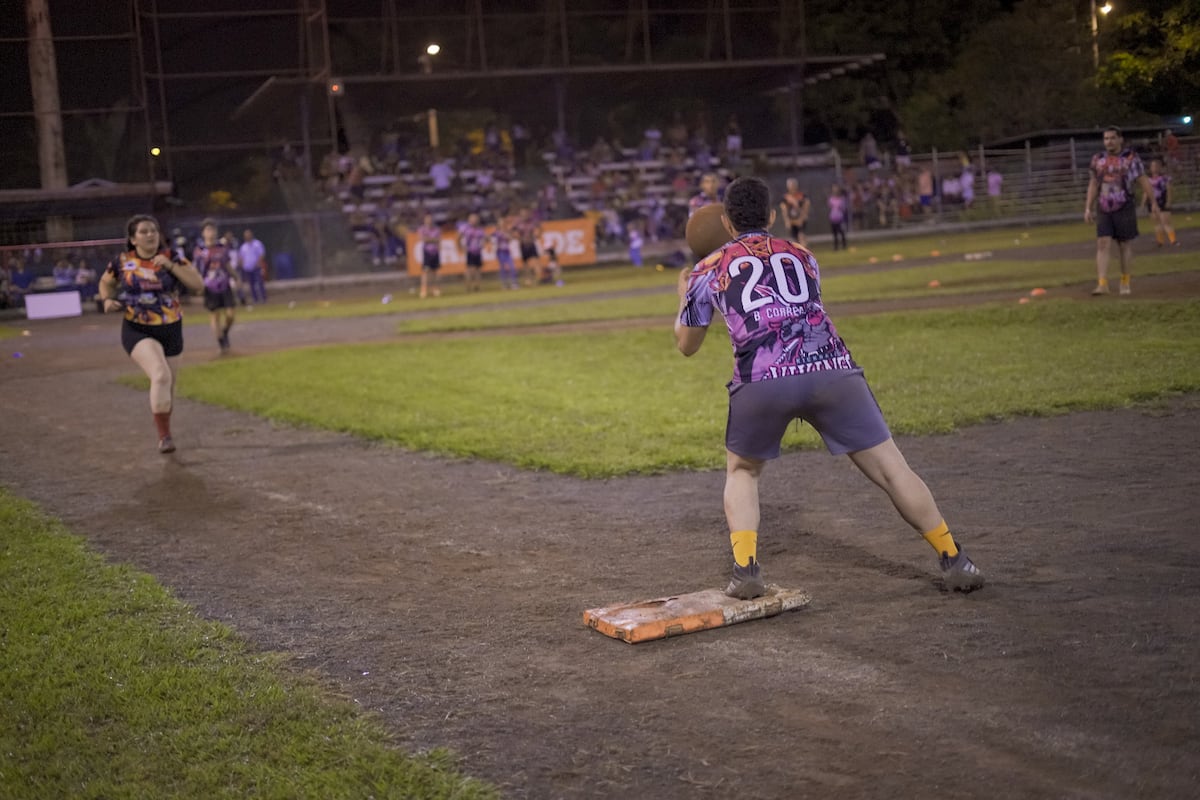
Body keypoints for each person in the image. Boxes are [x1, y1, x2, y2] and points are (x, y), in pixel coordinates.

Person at [673, 177, 984, 599]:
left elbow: (687, 346)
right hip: (831, 368)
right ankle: (954, 558)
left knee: (743, 470)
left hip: (763, 379)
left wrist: (684, 299)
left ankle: (746, 569)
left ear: (727, 222)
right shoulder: (804, 255)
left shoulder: (706, 270)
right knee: (893, 469)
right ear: (774, 215)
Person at [97, 214, 204, 454]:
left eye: (153, 230)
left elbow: (198, 285)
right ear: (133, 239)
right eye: (144, 231)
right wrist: (106, 300)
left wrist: (170, 266)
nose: (150, 235)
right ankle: (164, 438)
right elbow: (105, 282)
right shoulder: (122, 261)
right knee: (160, 374)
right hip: (138, 328)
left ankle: (165, 429)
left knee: (168, 386)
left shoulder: (172, 257)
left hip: (172, 328)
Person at [1084, 126, 1157, 296]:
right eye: (1106, 138)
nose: (1109, 141)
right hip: (1103, 206)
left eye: (1112, 138)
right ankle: (1102, 283)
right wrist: (1088, 207)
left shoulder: (1131, 158)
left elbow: (1143, 179)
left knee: (1124, 244)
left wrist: (1153, 202)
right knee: (1102, 243)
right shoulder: (1098, 159)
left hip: (1124, 205)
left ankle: (1125, 281)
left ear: (1120, 139)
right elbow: (1094, 183)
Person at [193, 219, 238, 352]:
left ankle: (225, 331)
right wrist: (197, 286)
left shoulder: (222, 248)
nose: (211, 233)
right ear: (203, 233)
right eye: (207, 230)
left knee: (231, 314)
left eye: (212, 230)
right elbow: (196, 270)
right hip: (209, 287)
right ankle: (221, 342)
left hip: (224, 285)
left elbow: (228, 265)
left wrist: (236, 277)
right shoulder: (199, 251)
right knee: (215, 315)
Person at [1145, 158, 1178, 248]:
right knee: (1157, 223)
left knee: (1166, 221)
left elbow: (1169, 189)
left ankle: (1173, 240)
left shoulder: (1165, 178)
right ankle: (1160, 241)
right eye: (1152, 166)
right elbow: (1146, 191)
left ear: (1160, 167)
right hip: (1152, 202)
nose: (1154, 168)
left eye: (1156, 166)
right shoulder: (1148, 179)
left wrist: (1168, 201)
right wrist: (1143, 202)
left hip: (1162, 201)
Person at [237, 229, 267, 306]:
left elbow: (261, 254)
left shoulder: (257, 244)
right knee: (252, 284)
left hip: (256, 267)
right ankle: (255, 299)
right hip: (247, 268)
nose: (247, 236)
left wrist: (258, 263)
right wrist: (241, 265)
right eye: (246, 235)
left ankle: (263, 298)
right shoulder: (243, 247)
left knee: (260, 283)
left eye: (248, 235)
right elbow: (241, 257)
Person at [513, 207, 543, 286]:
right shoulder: (518, 223)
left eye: (526, 213)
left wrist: (534, 236)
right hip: (523, 245)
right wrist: (521, 239)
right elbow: (514, 233)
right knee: (525, 264)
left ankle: (538, 278)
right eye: (523, 213)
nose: (525, 215)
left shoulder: (533, 222)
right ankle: (528, 279)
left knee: (535, 261)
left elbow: (538, 231)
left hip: (531, 244)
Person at [416, 213, 443, 298]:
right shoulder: (422, 229)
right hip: (427, 252)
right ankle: (423, 289)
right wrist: (433, 240)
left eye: (430, 219)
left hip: (435, 252)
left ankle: (434, 288)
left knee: (435, 272)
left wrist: (431, 240)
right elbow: (423, 239)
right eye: (427, 219)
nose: (429, 221)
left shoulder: (437, 229)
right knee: (426, 271)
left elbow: (439, 240)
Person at [778, 178, 811, 247]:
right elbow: (784, 210)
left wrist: (802, 218)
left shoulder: (802, 196)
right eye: (791, 185)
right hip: (792, 220)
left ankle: (804, 253)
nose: (792, 187)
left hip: (800, 219)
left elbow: (806, 207)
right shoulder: (785, 198)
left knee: (801, 236)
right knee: (794, 239)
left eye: (793, 185)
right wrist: (787, 221)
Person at [458, 212, 487, 292]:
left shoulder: (480, 229)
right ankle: (468, 286)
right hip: (470, 251)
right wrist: (461, 247)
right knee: (470, 269)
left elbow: (484, 238)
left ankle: (477, 286)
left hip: (478, 251)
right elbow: (459, 237)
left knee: (478, 269)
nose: (474, 221)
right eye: (472, 219)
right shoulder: (465, 228)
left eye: (475, 219)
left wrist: (483, 243)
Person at [492, 214, 519, 290]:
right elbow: (492, 240)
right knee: (502, 268)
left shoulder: (508, 231)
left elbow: (512, 238)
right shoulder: (496, 232)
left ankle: (514, 282)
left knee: (512, 267)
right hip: (500, 252)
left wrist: (507, 234)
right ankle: (504, 283)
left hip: (507, 251)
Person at [828, 184, 848, 251]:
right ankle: (836, 247)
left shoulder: (842, 199)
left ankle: (844, 245)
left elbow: (844, 208)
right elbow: (830, 207)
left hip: (840, 218)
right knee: (835, 234)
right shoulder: (831, 199)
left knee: (842, 232)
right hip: (833, 218)